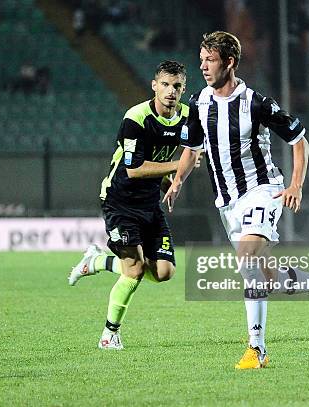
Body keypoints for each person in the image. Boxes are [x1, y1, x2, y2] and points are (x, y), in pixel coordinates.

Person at [163, 31, 309, 369]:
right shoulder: (197, 103)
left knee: (247, 260)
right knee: (266, 278)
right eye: (202, 59)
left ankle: (257, 349)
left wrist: (295, 185)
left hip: (263, 190)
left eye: (211, 60)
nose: (203, 66)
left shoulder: (256, 103)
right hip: (228, 203)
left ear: (229, 62)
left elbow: (299, 140)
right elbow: (192, 149)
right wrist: (177, 180)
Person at [68, 60, 200, 350]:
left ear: (183, 89)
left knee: (164, 272)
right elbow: (134, 168)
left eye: (177, 86)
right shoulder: (136, 117)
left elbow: (190, 150)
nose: (170, 91)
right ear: (154, 85)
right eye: (165, 84)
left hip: (150, 203)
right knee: (135, 270)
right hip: (120, 201)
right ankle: (109, 334)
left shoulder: (189, 116)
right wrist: (178, 166)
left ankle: (98, 261)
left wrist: (171, 181)